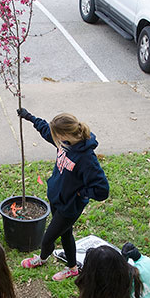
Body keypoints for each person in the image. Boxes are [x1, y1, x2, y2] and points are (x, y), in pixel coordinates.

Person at [17, 109, 109, 281]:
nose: (54, 138)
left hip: (70, 206)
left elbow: (102, 189)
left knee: (47, 239)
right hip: (57, 198)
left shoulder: (86, 158)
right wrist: (29, 117)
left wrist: (82, 193)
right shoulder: (65, 142)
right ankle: (73, 268)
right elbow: (46, 130)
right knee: (66, 234)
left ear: (65, 133)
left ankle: (42, 259)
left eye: (56, 135)